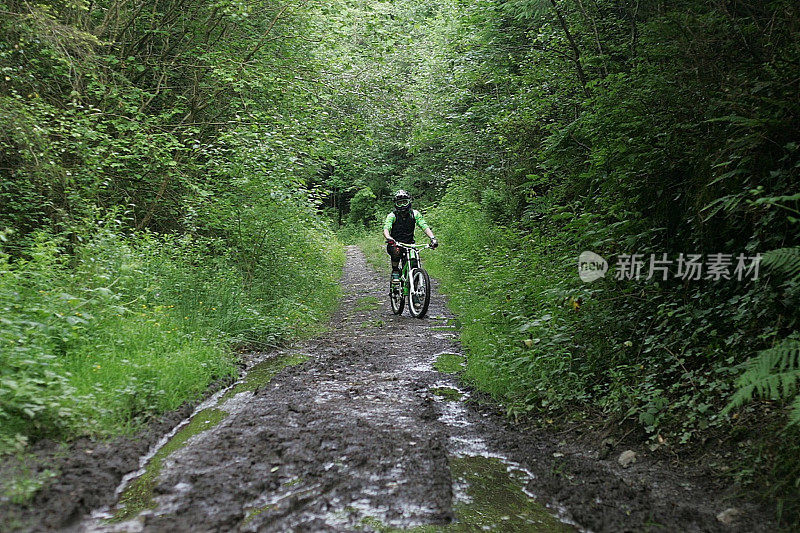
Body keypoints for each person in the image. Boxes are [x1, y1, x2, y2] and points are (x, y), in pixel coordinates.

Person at [383, 190, 438, 284]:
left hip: (410, 244)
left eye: (405, 202)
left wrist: (432, 238)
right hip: (395, 243)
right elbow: (386, 228)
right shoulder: (392, 215)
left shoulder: (415, 214)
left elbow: (424, 226)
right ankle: (395, 271)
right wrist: (389, 238)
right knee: (396, 252)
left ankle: (415, 283)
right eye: (399, 203)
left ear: (409, 202)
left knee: (414, 261)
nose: (402, 205)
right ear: (396, 204)